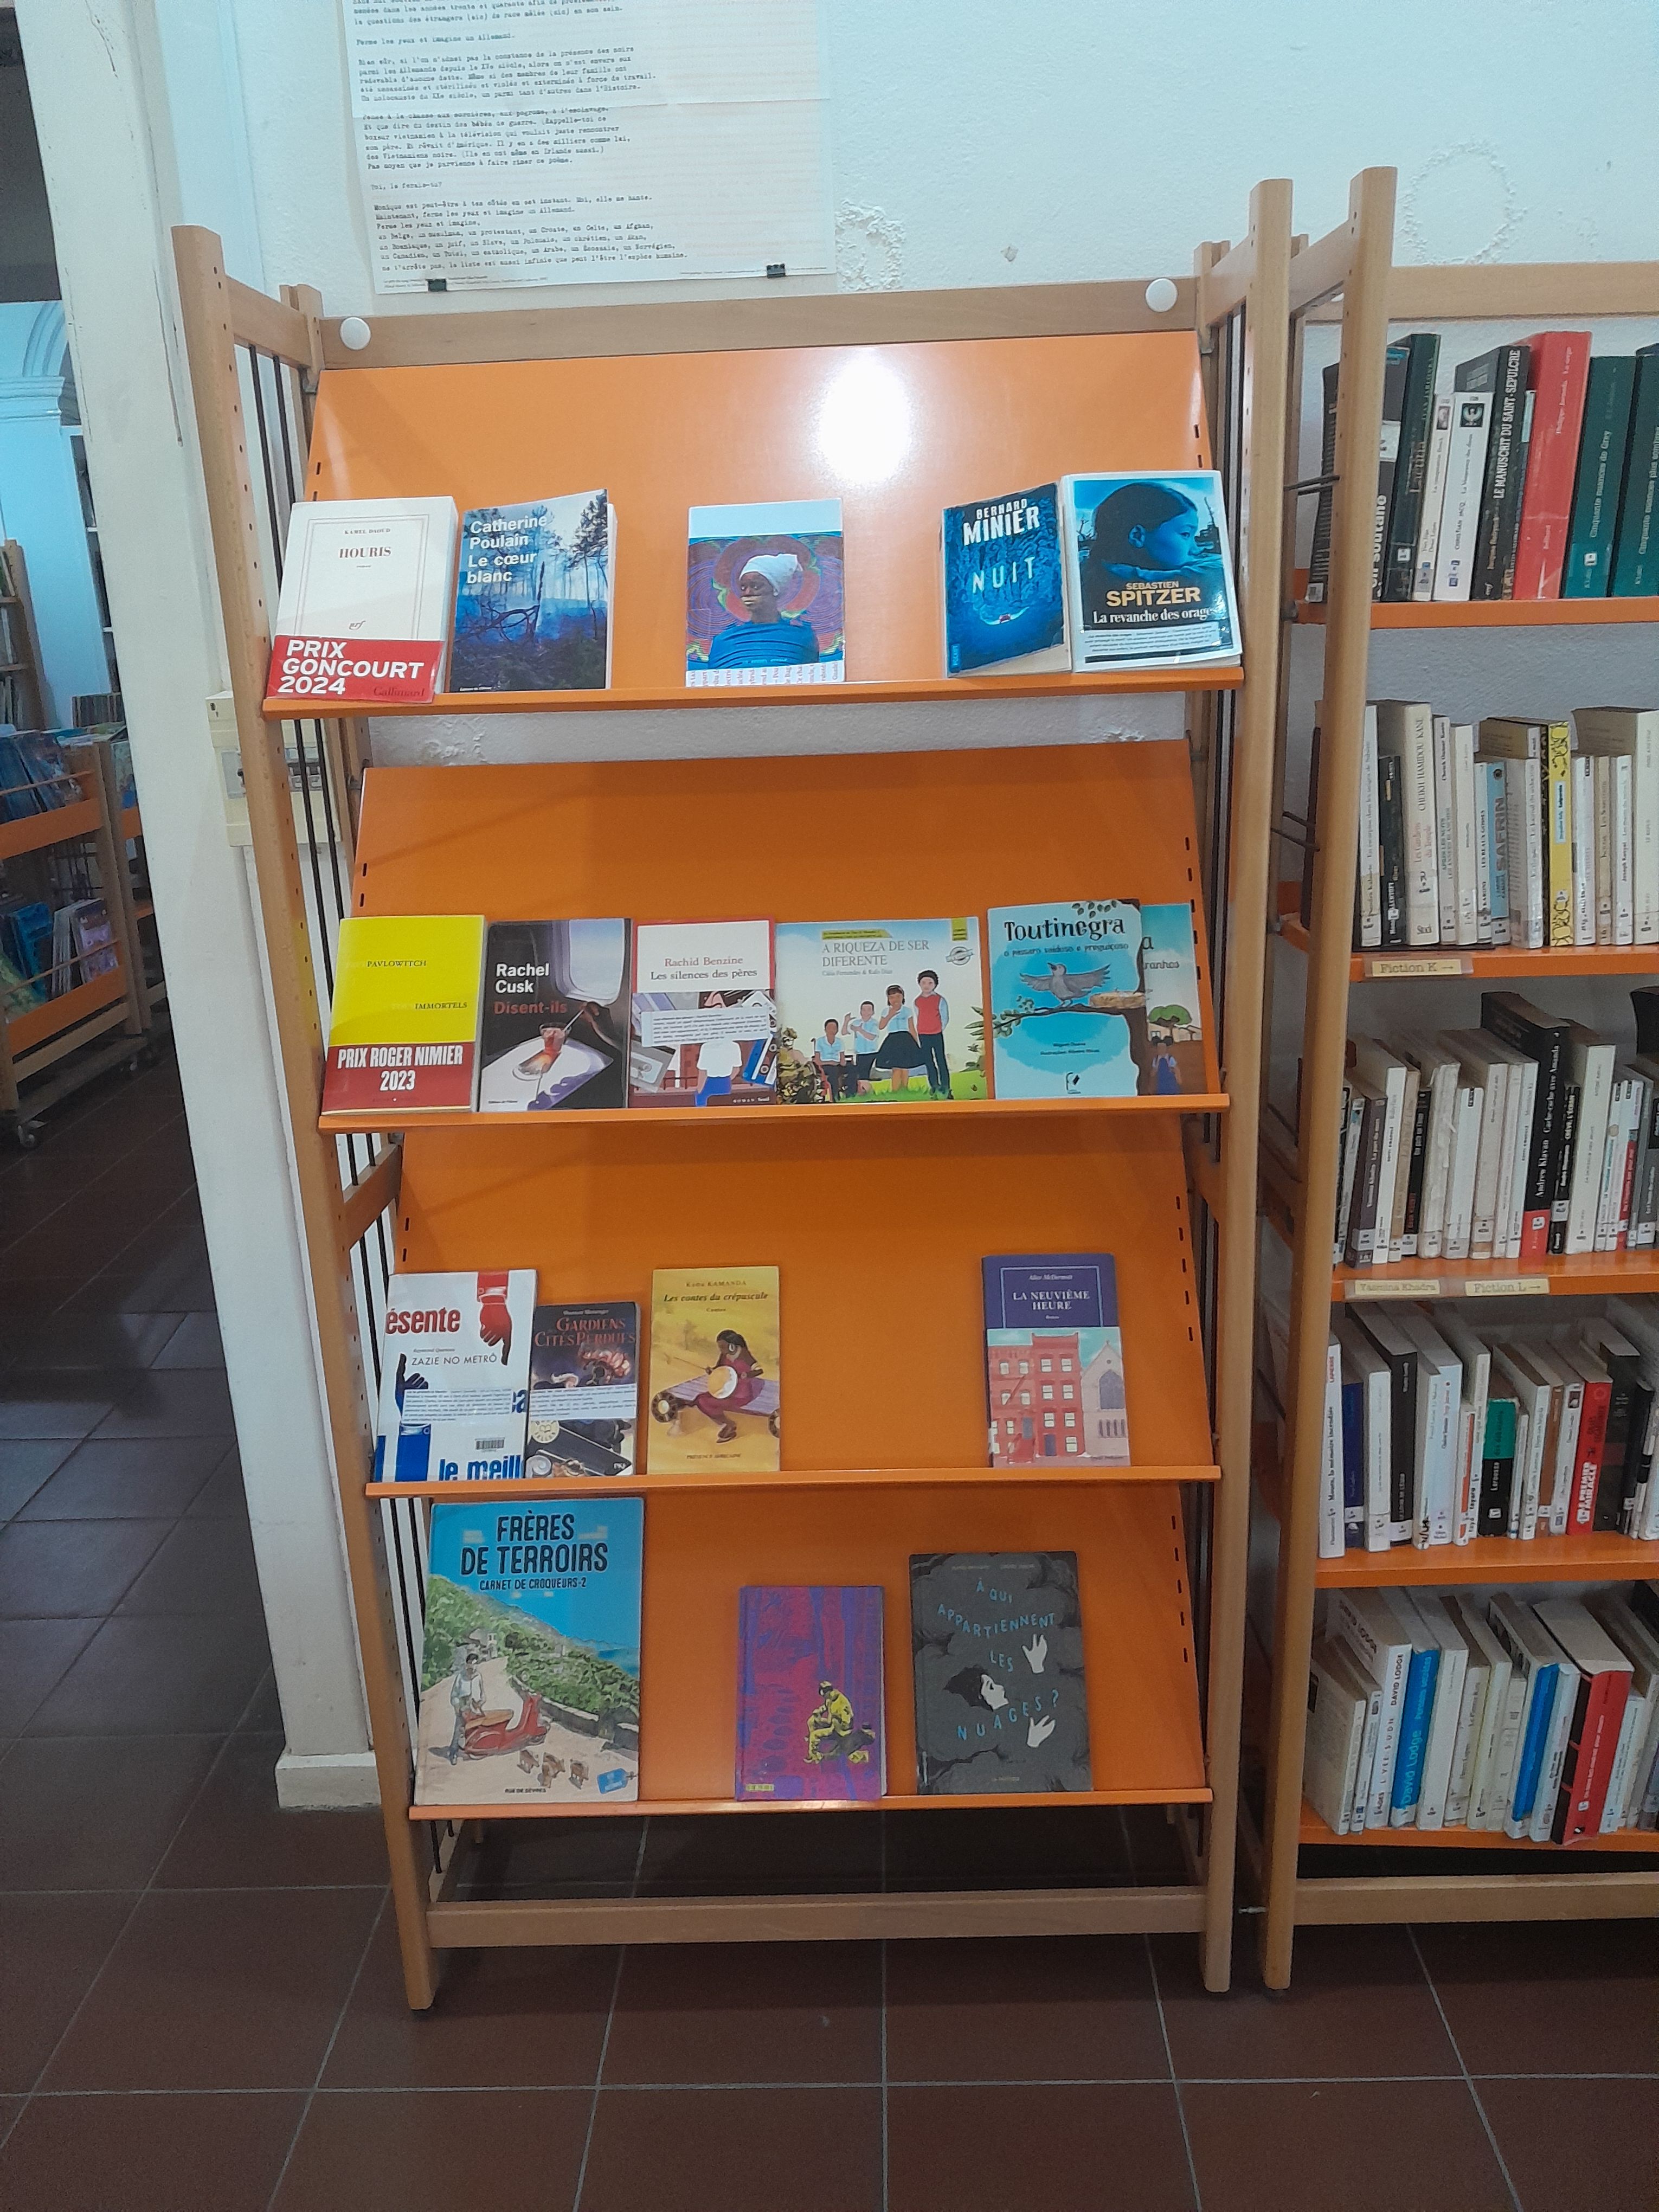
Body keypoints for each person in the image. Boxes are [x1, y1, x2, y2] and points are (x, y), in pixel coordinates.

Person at [1081, 481, 1226, 626]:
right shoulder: (1205, 574)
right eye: (1185, 534)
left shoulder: (1087, 575)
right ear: (1138, 536)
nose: (1196, 549)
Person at [706, 552, 820, 671]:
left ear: (775, 589)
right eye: (743, 587)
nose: (747, 593)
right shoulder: (724, 641)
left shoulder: (802, 637)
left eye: (756, 586)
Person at [692, 1328, 763, 1441]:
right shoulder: (724, 1355)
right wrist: (712, 1370)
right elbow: (719, 1368)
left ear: (732, 1345)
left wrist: (748, 1374)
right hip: (726, 1390)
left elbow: (759, 1370)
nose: (721, 1349)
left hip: (741, 1395)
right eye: (720, 1347)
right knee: (700, 1398)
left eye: (723, 1347)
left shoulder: (744, 1354)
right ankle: (726, 1424)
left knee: (703, 1402)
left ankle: (729, 1425)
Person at [871, 982, 925, 1096]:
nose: (895, 999)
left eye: (898, 997)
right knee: (896, 1068)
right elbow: (881, 1026)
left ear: (903, 997)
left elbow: (912, 1028)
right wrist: (891, 1014)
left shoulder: (907, 1011)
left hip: (906, 1039)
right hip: (893, 1040)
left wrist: (917, 1044)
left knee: (905, 1068)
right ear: (888, 999)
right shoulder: (886, 1011)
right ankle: (895, 1091)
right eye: (892, 997)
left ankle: (905, 1089)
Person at [912, 967, 951, 1098]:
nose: (927, 986)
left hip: (936, 1034)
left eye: (930, 983)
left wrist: (938, 1029)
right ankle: (934, 1085)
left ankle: (946, 1086)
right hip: (923, 1034)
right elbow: (918, 1016)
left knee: (941, 1059)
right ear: (919, 984)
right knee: (929, 1061)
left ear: (935, 984)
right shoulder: (917, 1001)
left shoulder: (940, 999)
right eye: (924, 983)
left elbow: (944, 1017)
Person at [446, 1647, 486, 1765]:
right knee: (458, 1731)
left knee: (477, 1729)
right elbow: (454, 1696)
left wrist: (481, 1702)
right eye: (470, 1664)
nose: (472, 1667)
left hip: (476, 1709)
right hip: (463, 1709)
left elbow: (483, 1694)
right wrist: (457, 1707)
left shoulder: (478, 1677)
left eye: (475, 1664)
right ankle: (453, 1752)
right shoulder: (460, 1677)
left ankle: (475, 1750)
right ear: (467, 1665)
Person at [812, 1015, 854, 1101]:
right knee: (833, 1071)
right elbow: (818, 1061)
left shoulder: (840, 1042)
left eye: (834, 1028)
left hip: (837, 1064)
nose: (832, 1030)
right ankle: (835, 1097)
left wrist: (843, 1063)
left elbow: (842, 1059)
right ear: (825, 1030)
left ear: (837, 1030)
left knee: (852, 1069)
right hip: (825, 1065)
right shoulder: (820, 1041)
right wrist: (831, 1062)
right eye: (830, 1028)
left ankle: (851, 1094)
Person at [845, 1000, 880, 1095]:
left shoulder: (875, 1023)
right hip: (860, 1053)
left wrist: (860, 1030)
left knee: (865, 1074)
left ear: (873, 1012)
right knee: (860, 1075)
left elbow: (872, 1037)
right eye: (864, 1010)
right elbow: (845, 1032)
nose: (866, 1012)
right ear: (861, 1011)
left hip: (871, 1052)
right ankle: (863, 1092)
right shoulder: (856, 1022)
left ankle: (867, 1092)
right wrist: (846, 1021)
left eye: (869, 1010)